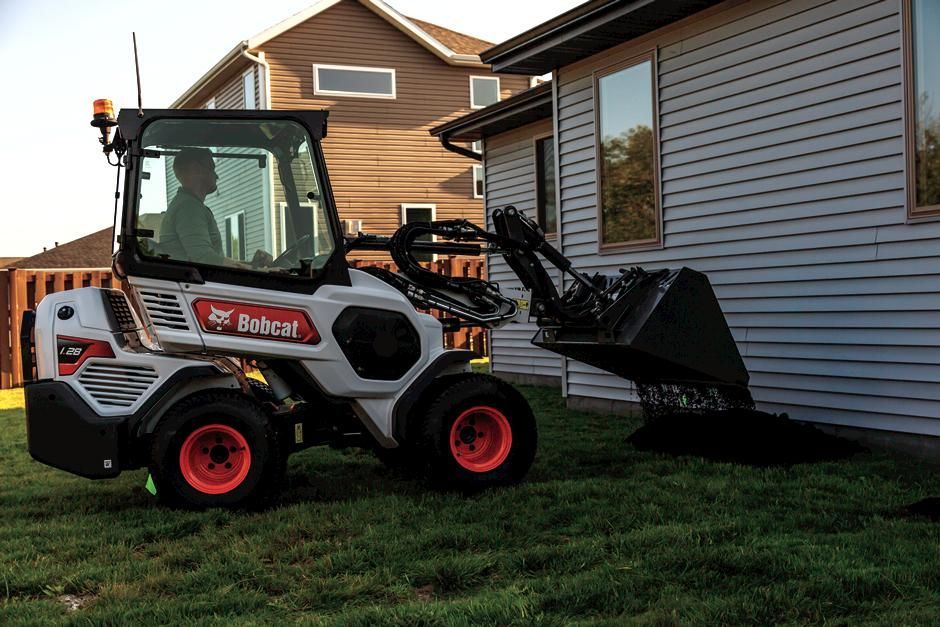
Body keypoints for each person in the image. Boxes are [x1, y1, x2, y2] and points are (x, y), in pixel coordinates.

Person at [158, 147, 272, 268]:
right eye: (212, 169)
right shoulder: (189, 208)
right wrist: (260, 271)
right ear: (196, 169)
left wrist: (252, 265)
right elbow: (204, 259)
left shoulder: (188, 204)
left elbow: (212, 261)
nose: (217, 176)